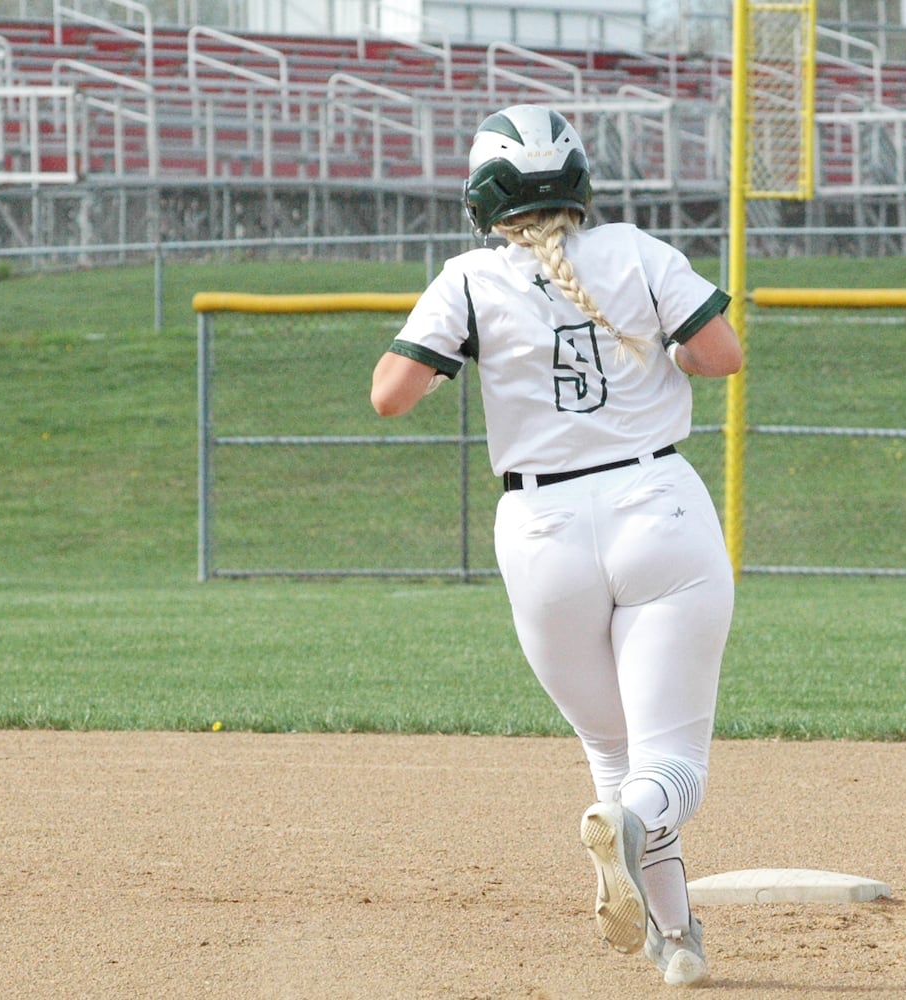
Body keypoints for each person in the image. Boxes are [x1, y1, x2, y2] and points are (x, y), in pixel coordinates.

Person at [370, 104, 743, 986]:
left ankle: (677, 945)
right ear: (579, 182)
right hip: (657, 505)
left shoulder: (467, 277)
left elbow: (391, 394)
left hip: (542, 532)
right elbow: (721, 355)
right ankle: (642, 846)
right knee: (667, 768)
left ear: (485, 196)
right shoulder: (639, 252)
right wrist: (672, 359)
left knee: (614, 755)